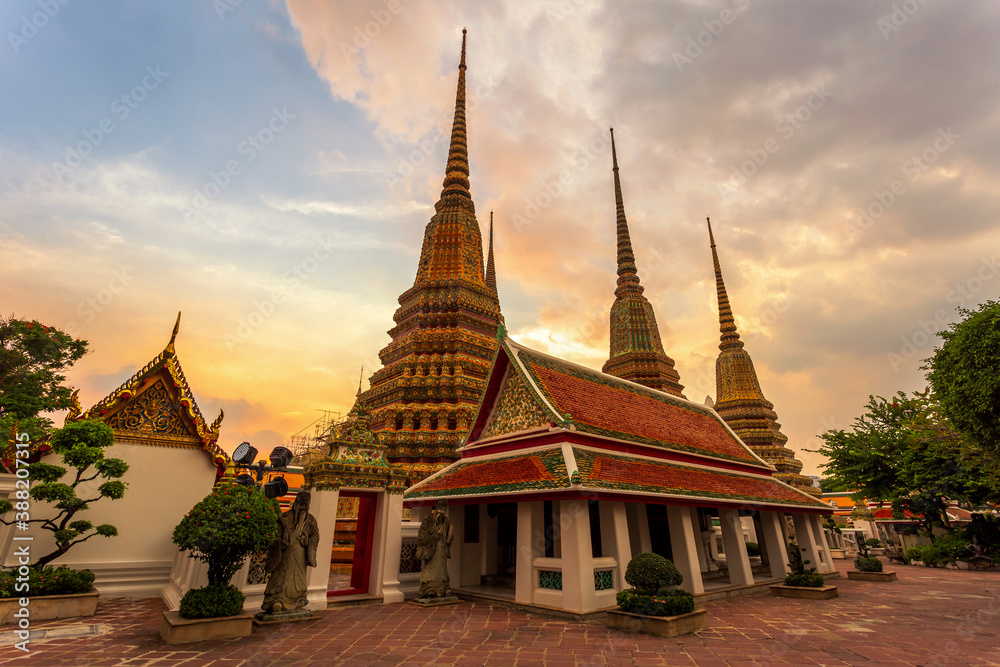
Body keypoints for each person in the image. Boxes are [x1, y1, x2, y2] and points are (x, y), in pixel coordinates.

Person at [262, 491, 320, 614]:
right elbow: (275, 536)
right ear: (296, 503)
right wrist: (281, 541)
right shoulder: (285, 517)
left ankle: (298, 599)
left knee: (299, 583)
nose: (303, 508)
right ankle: (276, 600)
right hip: (285, 555)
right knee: (281, 577)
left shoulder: (311, 521)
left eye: (306, 505)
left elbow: (315, 537)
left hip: (300, 556)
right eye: (301, 504)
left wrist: (306, 542)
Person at [416, 499, 454, 598]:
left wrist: (449, 539)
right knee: (431, 569)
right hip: (433, 550)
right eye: (440, 507)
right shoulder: (429, 520)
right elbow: (422, 536)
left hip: (442, 550)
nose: (442, 510)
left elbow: (447, 535)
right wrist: (434, 536)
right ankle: (429, 588)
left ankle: (444, 588)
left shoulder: (446, 522)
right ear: (436, 507)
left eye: (444, 508)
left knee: (443, 569)